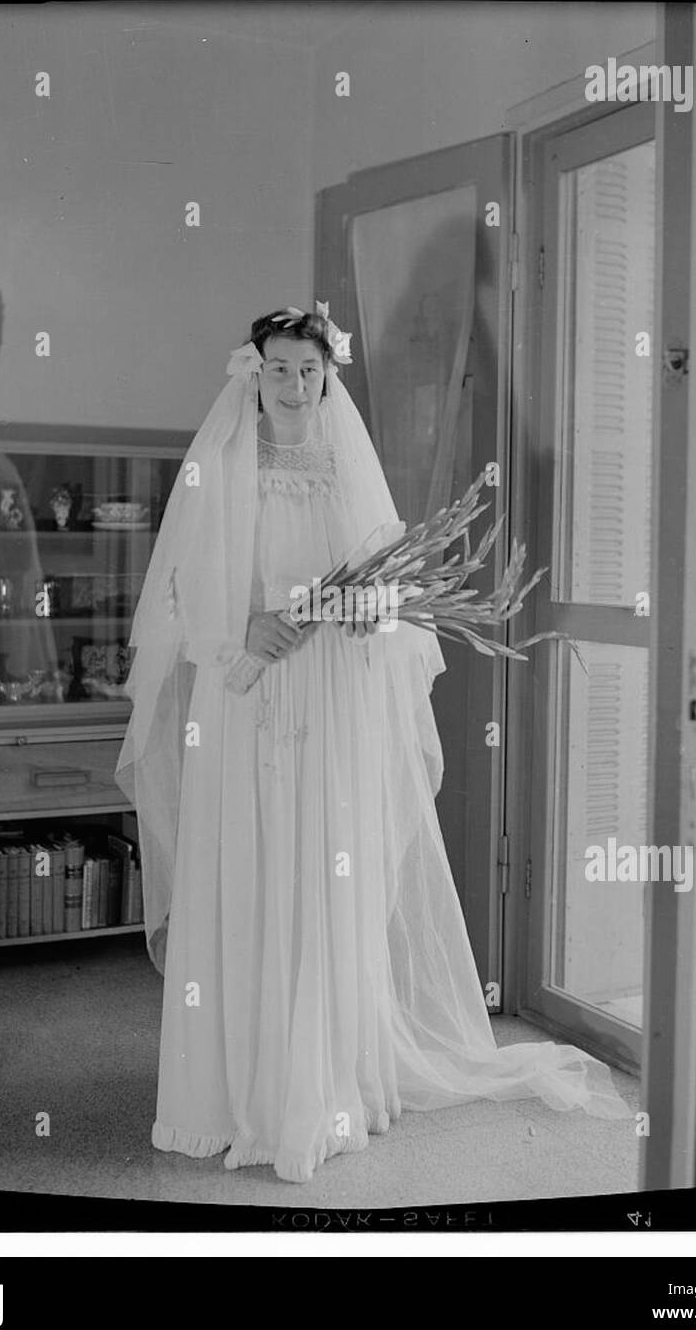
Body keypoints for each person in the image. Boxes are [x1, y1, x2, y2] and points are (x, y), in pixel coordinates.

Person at [116, 304, 631, 1185]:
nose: (295, 387)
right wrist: (242, 623)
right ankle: (232, 1091)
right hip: (245, 692)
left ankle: (319, 1085)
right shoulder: (221, 464)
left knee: (323, 868)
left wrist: (362, 612)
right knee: (248, 865)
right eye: (279, 370)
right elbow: (171, 599)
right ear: (252, 372)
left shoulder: (346, 468)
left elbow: (390, 595)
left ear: (327, 376)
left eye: (310, 372)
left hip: (332, 699)